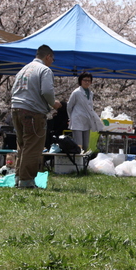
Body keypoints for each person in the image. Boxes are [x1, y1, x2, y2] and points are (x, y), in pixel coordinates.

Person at [11, 44, 61, 189]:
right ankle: (26, 182)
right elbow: (46, 90)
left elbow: (14, 89)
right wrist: (53, 103)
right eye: (53, 59)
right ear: (48, 57)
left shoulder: (24, 69)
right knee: (33, 147)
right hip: (32, 112)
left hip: (16, 109)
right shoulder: (44, 70)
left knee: (22, 146)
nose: (52, 62)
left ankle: (18, 178)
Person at [67, 72, 103, 150]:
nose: (87, 82)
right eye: (85, 80)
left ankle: (84, 162)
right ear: (80, 81)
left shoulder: (91, 93)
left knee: (86, 145)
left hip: (87, 120)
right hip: (77, 120)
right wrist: (71, 118)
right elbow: (69, 106)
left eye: (89, 80)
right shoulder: (76, 92)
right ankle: (77, 162)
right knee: (78, 145)